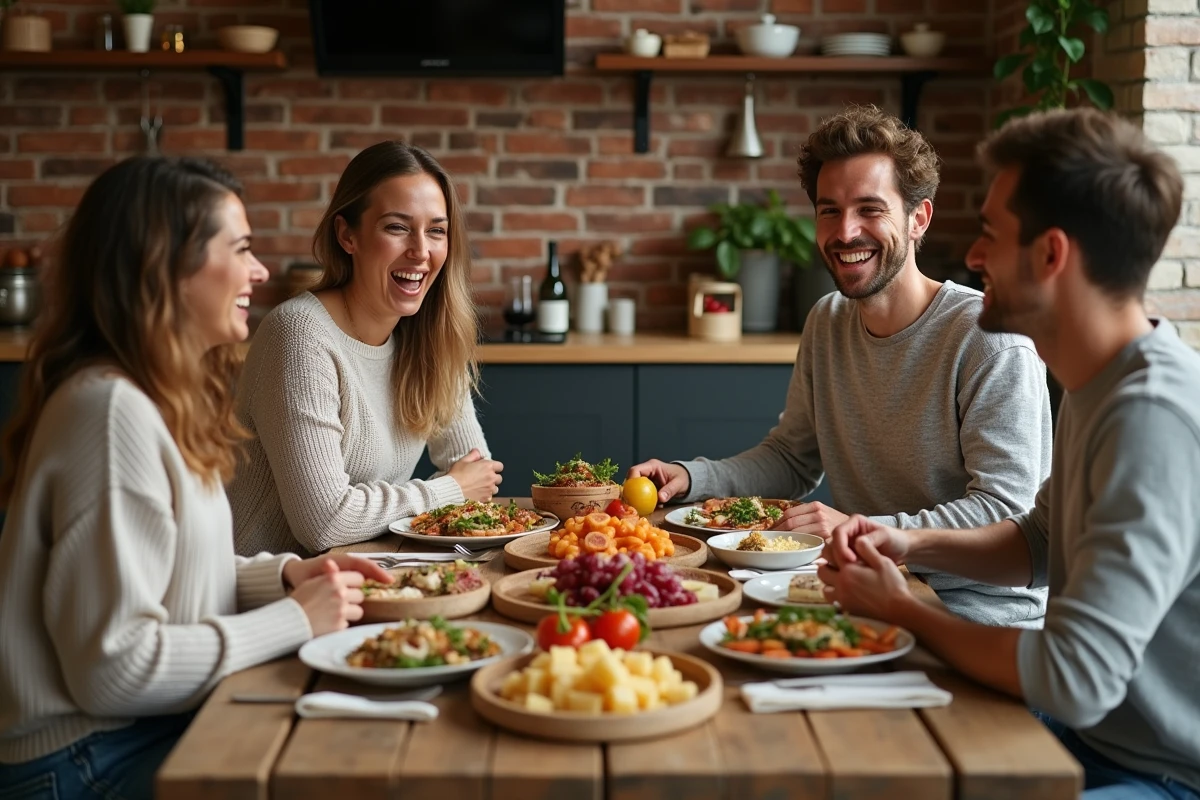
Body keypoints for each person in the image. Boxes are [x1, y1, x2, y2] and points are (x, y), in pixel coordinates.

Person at [821, 108, 1200, 799]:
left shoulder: (1151, 418)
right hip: (1093, 740)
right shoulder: (1100, 380)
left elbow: (1075, 680)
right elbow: (1038, 544)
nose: (972, 257)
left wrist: (905, 609)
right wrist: (906, 545)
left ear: (1051, 255)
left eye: (992, 234)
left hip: (1161, 772)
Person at [0, 156, 390, 799]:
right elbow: (114, 668)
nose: (260, 271)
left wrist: (283, 575)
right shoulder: (110, 413)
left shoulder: (151, 398)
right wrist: (294, 618)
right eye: (239, 248)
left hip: (133, 733)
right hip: (81, 760)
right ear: (167, 267)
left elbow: (172, 573)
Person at [630, 105, 1053, 627]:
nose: (846, 231)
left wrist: (860, 528)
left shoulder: (989, 340)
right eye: (829, 210)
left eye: (870, 209)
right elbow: (792, 459)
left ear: (918, 218)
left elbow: (1006, 513)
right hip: (871, 591)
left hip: (976, 614)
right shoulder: (828, 320)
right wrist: (693, 477)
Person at [229, 141, 501, 556]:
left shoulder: (429, 337)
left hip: (370, 574)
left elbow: (476, 473)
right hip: (269, 593)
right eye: (396, 227)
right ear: (347, 235)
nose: (421, 251)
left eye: (436, 231)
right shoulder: (300, 335)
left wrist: (457, 489)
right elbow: (324, 523)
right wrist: (446, 491)